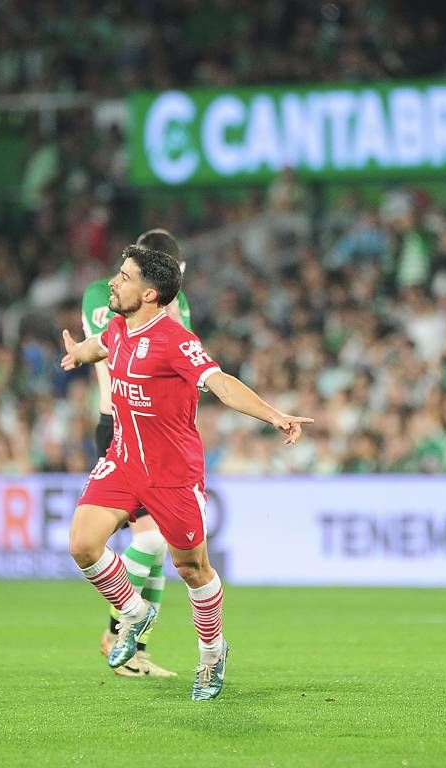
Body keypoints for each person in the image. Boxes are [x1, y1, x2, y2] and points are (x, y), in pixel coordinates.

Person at [62, 245, 312, 700]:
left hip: (172, 474)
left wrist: (274, 415)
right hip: (122, 459)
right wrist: (79, 353)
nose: (113, 284)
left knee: (192, 568)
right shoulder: (118, 327)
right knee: (81, 543)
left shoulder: (177, 342)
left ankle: (213, 653)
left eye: (124, 277)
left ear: (151, 293)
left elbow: (221, 384)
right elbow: (101, 345)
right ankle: (134, 612)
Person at [79, 228, 188, 679]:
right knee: (149, 541)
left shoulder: (96, 294)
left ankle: (137, 649)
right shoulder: (166, 305)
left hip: (114, 422)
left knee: (157, 546)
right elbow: (176, 359)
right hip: (134, 430)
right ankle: (117, 629)